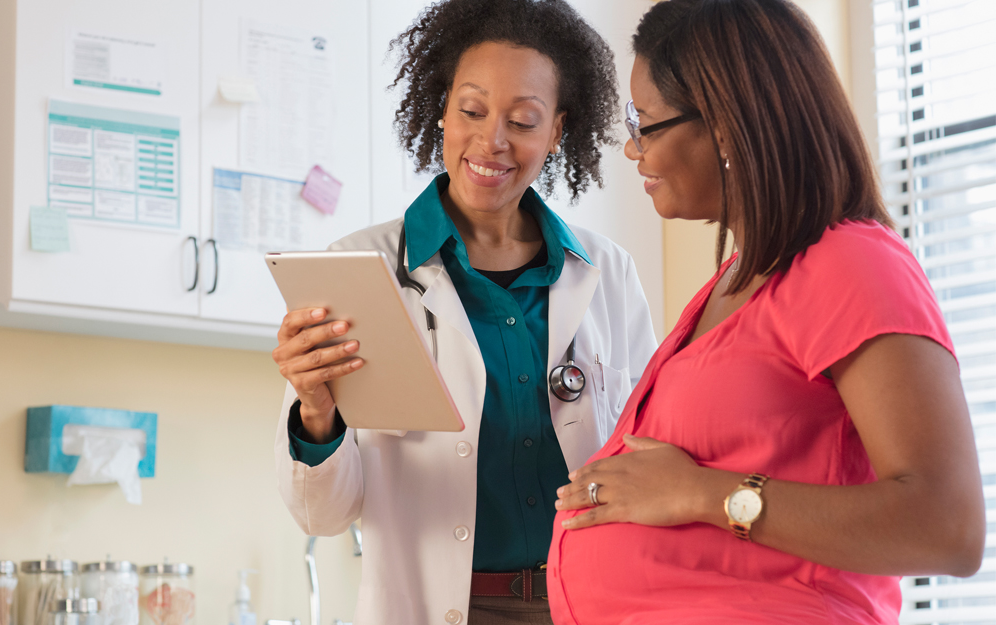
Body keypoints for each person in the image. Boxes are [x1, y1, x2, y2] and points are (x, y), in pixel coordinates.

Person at [547, 1, 987, 623]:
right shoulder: (739, 279)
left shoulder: (850, 263)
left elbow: (948, 525)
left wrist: (702, 494)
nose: (630, 145)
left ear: (723, 126)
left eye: (644, 121)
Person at [271, 1, 657, 623]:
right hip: (441, 607)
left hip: (590, 601)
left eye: (524, 121)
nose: (491, 142)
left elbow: (649, 456)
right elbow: (324, 515)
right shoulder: (360, 269)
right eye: (471, 111)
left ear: (557, 130)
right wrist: (316, 411)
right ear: (443, 107)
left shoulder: (607, 273)